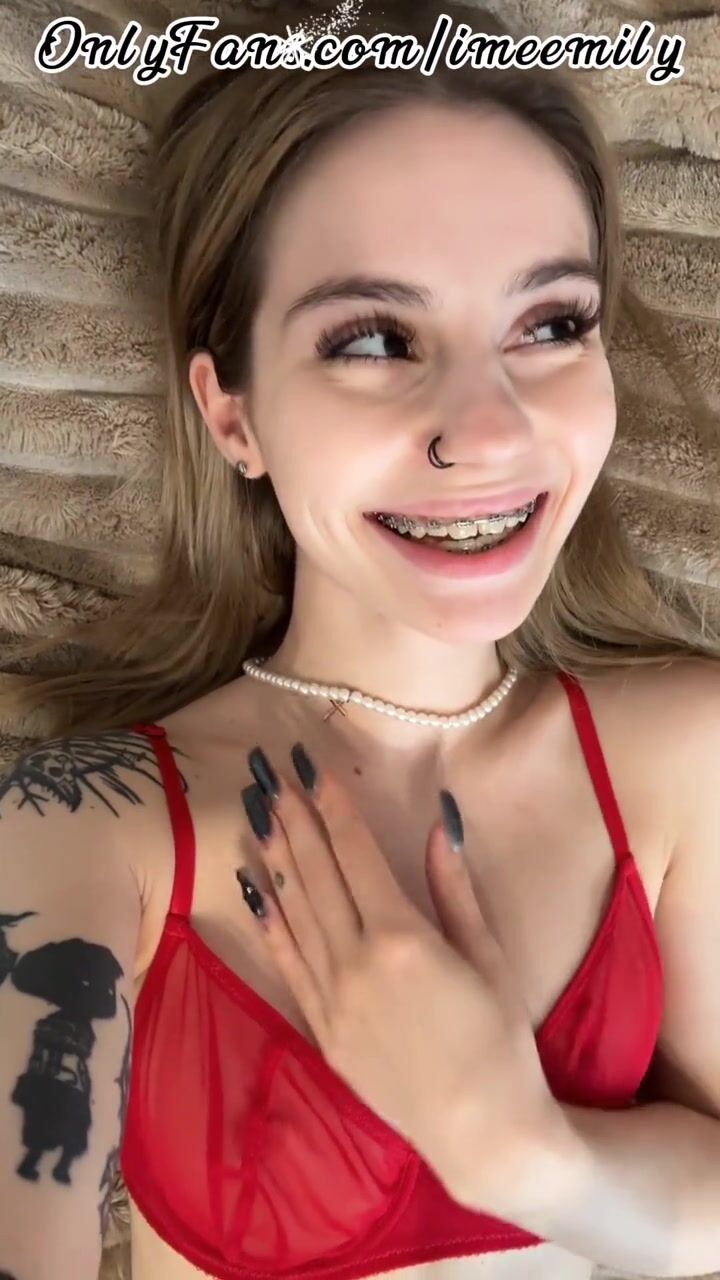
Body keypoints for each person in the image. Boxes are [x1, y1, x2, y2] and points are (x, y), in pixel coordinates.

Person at [1, 3, 719, 1279]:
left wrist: (515, 1149)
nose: (487, 433)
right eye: (376, 340)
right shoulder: (82, 824)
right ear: (232, 415)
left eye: (551, 323)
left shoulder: (687, 754)